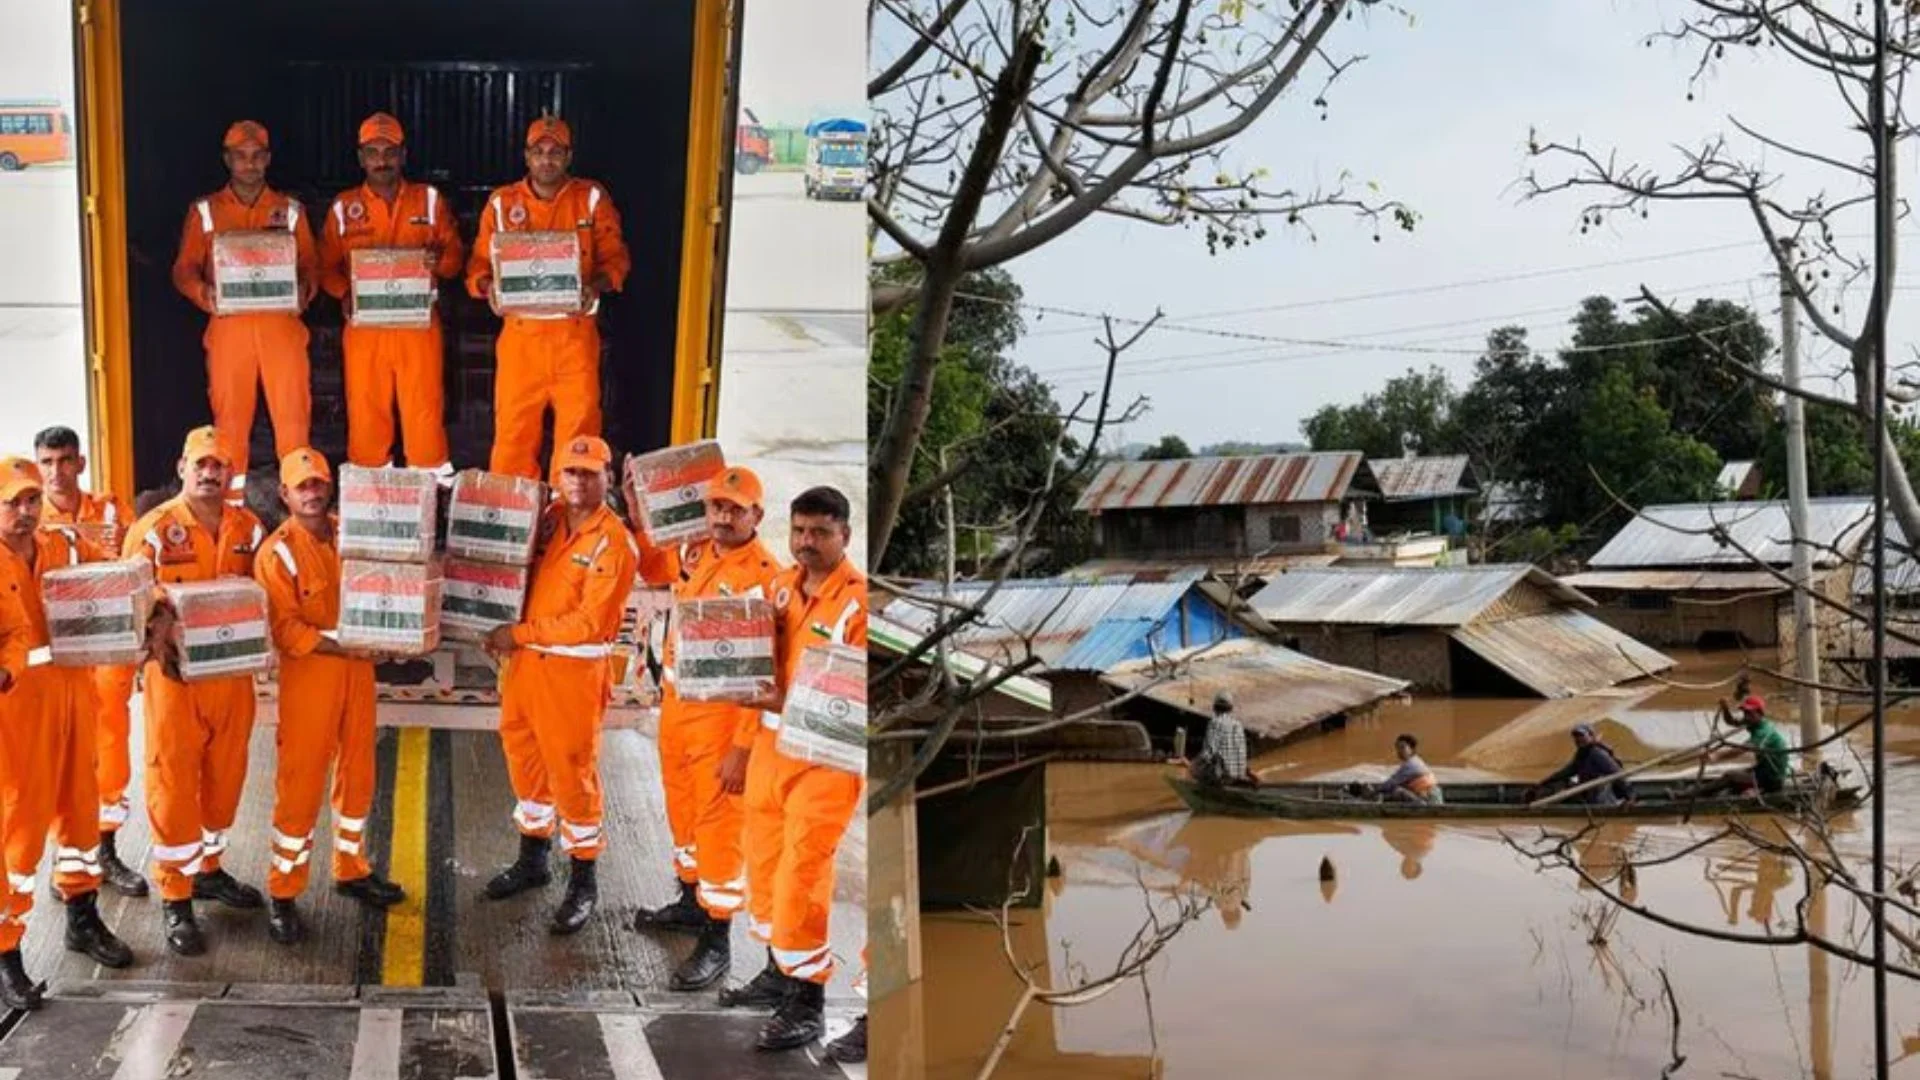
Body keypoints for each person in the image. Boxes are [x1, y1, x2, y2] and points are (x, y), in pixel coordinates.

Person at [719, 486, 865, 1052]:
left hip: (825, 759)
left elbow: (850, 697)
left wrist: (779, 702)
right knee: (766, 865)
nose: (806, 542)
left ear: (844, 536)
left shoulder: (859, 603)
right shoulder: (778, 590)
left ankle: (807, 999)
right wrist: (739, 742)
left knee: (803, 874)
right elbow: (752, 670)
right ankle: (779, 971)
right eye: (800, 531)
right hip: (769, 750)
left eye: (820, 533)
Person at [632, 465, 784, 991]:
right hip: (679, 712)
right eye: (716, 506)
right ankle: (690, 900)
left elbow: (764, 674)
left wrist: (743, 748)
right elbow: (654, 568)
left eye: (735, 509)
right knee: (684, 814)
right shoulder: (697, 553)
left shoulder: (766, 577)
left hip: (723, 724)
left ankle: (717, 939)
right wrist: (639, 517)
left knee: (719, 830)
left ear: (756, 516)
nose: (723, 516)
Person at [481, 436, 639, 935]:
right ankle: (533, 860)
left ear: (607, 479)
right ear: (556, 476)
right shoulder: (545, 520)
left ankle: (583, 881)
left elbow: (589, 622)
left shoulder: (612, 541)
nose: (578, 480)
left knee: (573, 775)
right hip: (527, 669)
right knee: (525, 764)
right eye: (570, 471)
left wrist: (517, 633)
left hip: (572, 674)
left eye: (590, 472)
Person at [122, 426, 268, 955]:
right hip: (175, 684)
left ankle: (209, 869)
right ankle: (176, 897)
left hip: (232, 682)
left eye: (219, 465)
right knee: (173, 786)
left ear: (231, 473)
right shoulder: (155, 529)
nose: (210, 473)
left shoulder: (248, 527)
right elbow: (130, 603)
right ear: (182, 468)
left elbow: (264, 594)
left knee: (225, 781)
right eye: (201, 464)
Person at [253, 448, 406, 945]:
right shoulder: (277, 553)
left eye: (319, 483)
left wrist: (393, 632)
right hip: (311, 676)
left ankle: (352, 868)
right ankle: (284, 893)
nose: (313, 493)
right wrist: (353, 642)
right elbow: (287, 629)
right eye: (303, 487)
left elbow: (389, 585)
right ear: (285, 495)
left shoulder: (353, 533)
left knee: (359, 773)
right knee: (300, 785)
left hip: (356, 674)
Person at [0, 457, 136, 1008]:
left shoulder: (59, 546)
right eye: (13, 502)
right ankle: (6, 954)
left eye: (31, 500)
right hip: (14, 716)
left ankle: (81, 917)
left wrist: (148, 608)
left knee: (81, 814)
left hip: (74, 699)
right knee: (16, 836)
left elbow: (113, 577)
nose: (25, 511)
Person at [467, 116, 631, 480]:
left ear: (568, 156)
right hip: (520, 339)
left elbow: (616, 258)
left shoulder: (591, 198)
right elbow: (478, 264)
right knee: (513, 433)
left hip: (575, 337)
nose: (547, 160)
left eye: (555, 152)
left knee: (579, 436)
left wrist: (597, 284)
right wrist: (486, 287)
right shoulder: (501, 203)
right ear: (526, 156)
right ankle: (513, 519)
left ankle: (568, 519)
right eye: (539, 152)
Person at [170, 121, 317, 502]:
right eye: (240, 156)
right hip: (229, 329)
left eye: (257, 156)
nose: (249, 165)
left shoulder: (291, 211)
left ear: (267, 160)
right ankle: (230, 507)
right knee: (230, 423)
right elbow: (184, 269)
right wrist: (204, 293)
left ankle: (300, 503)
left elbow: (311, 267)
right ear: (227, 160)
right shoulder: (205, 211)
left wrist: (304, 290)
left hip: (281, 329)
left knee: (293, 419)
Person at [317, 113, 465, 483]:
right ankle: (373, 506)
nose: (381, 160)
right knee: (367, 414)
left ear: (403, 154)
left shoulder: (429, 201)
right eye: (373, 152)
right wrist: (344, 293)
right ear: (360, 157)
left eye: (389, 152)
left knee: (424, 413)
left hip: (419, 328)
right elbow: (323, 267)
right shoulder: (342, 207)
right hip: (365, 331)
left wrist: (439, 261)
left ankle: (434, 499)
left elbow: (456, 258)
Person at [32, 426, 146, 896]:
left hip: (106, 655)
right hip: (56, 661)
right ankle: (68, 864)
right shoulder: (24, 513)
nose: (57, 471)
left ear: (81, 463)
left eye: (65, 460)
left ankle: (105, 851)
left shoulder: (113, 510)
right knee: (60, 764)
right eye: (47, 462)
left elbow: (135, 565)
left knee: (112, 758)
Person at [1691, 695, 1792, 798]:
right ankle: (1700, 792)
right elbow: (1731, 721)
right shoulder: (1753, 723)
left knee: (1730, 776)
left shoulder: (1764, 731)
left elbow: (1742, 749)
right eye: (1745, 713)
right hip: (1762, 770)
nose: (1746, 717)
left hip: (1772, 779)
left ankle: (1693, 795)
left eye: (1749, 713)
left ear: (1760, 713)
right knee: (1736, 777)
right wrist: (1725, 708)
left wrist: (1716, 756)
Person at [1526, 724, 1632, 806]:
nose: (1578, 739)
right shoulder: (1582, 754)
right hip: (1586, 793)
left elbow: (1619, 775)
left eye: (1581, 735)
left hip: (1600, 799)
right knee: (1559, 783)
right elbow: (1566, 772)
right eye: (1576, 736)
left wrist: (1630, 798)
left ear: (1591, 736)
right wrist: (1543, 782)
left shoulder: (1598, 754)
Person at [1191, 692, 1256, 788]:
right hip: (1239, 775)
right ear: (1231, 708)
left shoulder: (1215, 722)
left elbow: (1208, 753)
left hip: (1223, 777)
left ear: (1214, 707)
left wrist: (1192, 766)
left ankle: (1206, 792)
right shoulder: (1238, 724)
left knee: (1195, 770)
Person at [1375, 734, 1443, 804]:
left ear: (1412, 749)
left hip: (1430, 800)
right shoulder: (1415, 760)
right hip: (1427, 796)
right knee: (1400, 788)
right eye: (1397, 748)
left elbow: (1391, 783)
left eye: (1402, 747)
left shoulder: (1411, 764)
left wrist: (1376, 791)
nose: (1399, 751)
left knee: (1398, 791)